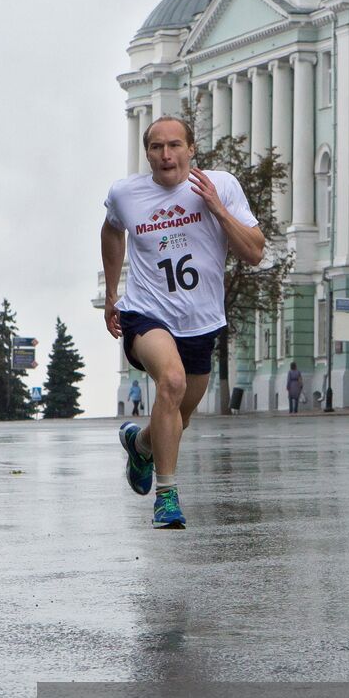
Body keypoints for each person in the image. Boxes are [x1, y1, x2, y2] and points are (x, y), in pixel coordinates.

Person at [102, 115, 264, 528]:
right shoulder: (126, 194)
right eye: (156, 147)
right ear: (147, 153)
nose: (166, 155)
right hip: (146, 313)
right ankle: (167, 497)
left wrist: (218, 209)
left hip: (200, 320)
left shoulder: (221, 185)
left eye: (175, 145)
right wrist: (111, 296)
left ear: (192, 149)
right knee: (170, 383)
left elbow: (255, 252)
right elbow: (111, 231)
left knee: (180, 416)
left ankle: (140, 445)